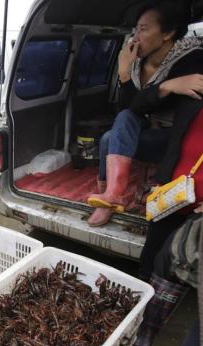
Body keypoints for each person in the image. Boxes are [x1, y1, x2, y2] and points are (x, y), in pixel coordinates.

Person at [87, 1, 203, 227]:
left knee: (109, 140)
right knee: (114, 130)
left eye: (144, 29)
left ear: (168, 33)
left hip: (174, 140)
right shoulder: (135, 61)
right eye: (136, 29)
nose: (135, 36)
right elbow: (129, 110)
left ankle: (110, 198)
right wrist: (125, 74)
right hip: (146, 128)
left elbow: (172, 121)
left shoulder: (191, 61)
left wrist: (163, 180)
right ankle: (110, 196)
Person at [131, 98, 203, 346]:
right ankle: (136, 328)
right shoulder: (192, 101)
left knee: (176, 267)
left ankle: (146, 337)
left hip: (198, 216)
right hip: (172, 199)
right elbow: (174, 145)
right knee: (151, 261)